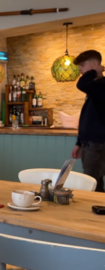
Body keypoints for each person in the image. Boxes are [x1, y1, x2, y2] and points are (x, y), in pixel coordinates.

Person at [71, 50, 105, 192]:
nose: (80, 70)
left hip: (98, 144)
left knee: (91, 185)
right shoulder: (96, 86)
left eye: (83, 66)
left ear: (95, 63)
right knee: (95, 184)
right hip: (91, 143)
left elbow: (82, 84)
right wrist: (79, 142)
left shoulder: (102, 85)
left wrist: (93, 71)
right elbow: (88, 117)